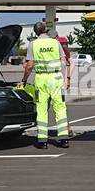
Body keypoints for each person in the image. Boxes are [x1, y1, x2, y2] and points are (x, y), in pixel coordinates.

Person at [22, 21, 70, 149]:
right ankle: (63, 138)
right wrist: (66, 79)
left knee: (42, 109)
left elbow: (30, 66)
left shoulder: (33, 44)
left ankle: (42, 140)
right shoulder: (55, 42)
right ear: (46, 31)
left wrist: (24, 79)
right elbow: (64, 62)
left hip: (41, 79)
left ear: (36, 32)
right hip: (56, 78)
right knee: (60, 108)